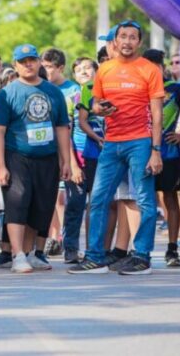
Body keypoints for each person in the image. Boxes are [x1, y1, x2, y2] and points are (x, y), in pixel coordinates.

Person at [69, 21, 164, 276]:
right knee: (98, 198)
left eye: (133, 37)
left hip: (141, 141)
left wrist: (156, 150)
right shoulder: (105, 70)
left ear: (139, 43)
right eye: (123, 36)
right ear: (115, 41)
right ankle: (95, 257)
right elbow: (96, 104)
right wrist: (100, 109)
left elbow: (157, 113)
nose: (127, 41)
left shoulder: (149, 70)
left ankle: (142, 256)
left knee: (144, 199)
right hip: (111, 143)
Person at [0, 44, 73, 274]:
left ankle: (33, 253)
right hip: (17, 155)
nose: (28, 64)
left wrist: (65, 160)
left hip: (47, 156)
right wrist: (0, 166)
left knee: (42, 205)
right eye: (22, 61)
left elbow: (61, 127)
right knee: (18, 202)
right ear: (15, 65)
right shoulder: (7, 94)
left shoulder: (53, 92)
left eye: (32, 60)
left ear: (39, 62)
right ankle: (17, 254)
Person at [142, 49, 180, 268]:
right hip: (142, 154)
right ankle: (143, 250)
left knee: (170, 198)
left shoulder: (175, 89)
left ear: (162, 67)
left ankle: (172, 248)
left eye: (156, 66)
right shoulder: (139, 89)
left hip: (169, 154)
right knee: (145, 202)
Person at [41, 48, 80, 263]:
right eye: (43, 66)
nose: (45, 71)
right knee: (50, 197)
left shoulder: (73, 91)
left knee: (66, 199)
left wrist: (71, 159)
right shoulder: (41, 89)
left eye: (49, 67)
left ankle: (68, 240)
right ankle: (52, 237)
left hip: (70, 152)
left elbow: (73, 129)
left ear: (60, 68)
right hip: (46, 150)